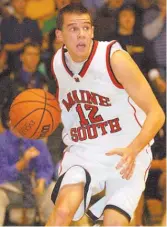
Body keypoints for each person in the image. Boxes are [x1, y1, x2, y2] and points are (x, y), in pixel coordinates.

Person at [46, 3, 165, 226]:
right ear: (60, 35)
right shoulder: (58, 63)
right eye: (73, 29)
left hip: (126, 150)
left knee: (113, 223)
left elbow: (157, 113)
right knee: (62, 213)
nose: (81, 34)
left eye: (86, 28)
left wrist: (134, 148)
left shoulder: (114, 58)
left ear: (92, 31)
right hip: (85, 149)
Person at [0, 128, 55, 225]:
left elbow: (46, 167)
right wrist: (22, 163)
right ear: (10, 122)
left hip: (33, 186)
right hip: (8, 189)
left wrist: (42, 181)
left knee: (52, 189)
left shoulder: (36, 140)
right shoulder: (2, 141)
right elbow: (2, 174)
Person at [0, 0, 42, 71]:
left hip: (32, 61)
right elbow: (5, 46)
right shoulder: (5, 23)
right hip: (12, 62)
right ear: (12, 4)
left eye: (23, 1)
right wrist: (23, 45)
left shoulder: (33, 22)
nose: (21, 4)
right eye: (18, 1)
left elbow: (38, 44)